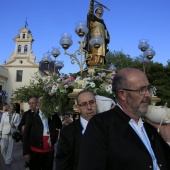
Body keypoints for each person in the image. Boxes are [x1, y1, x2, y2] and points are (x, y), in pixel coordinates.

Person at [78, 68, 170, 170]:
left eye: (148, 89)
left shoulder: (150, 127)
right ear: (122, 94)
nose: (148, 94)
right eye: (141, 90)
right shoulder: (101, 125)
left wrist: (168, 139)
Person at [56, 90, 97, 170]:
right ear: (78, 108)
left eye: (91, 102)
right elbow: (62, 163)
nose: (89, 107)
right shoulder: (67, 132)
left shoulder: (107, 127)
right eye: (84, 104)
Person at [23, 96, 62, 170]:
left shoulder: (52, 116)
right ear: (38, 103)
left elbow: (59, 125)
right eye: (42, 102)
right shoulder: (31, 116)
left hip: (49, 152)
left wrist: (54, 113)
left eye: (46, 102)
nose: (44, 104)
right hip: (35, 152)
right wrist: (25, 152)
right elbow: (26, 135)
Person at [85, 0, 110, 67]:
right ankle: (94, 62)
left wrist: (107, 36)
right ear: (95, 11)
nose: (100, 10)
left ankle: (101, 63)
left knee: (102, 51)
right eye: (99, 9)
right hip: (95, 37)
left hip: (102, 38)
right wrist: (92, 2)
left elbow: (105, 30)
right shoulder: (93, 18)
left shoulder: (102, 21)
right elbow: (90, 12)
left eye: (101, 9)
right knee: (95, 50)